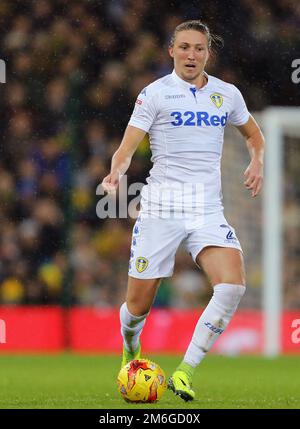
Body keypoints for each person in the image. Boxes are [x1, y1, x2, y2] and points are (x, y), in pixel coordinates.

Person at [101, 20, 264, 402]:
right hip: (161, 208)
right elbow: (126, 147)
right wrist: (116, 171)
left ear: (208, 53)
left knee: (232, 286)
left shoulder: (227, 94)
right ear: (171, 51)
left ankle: (185, 372)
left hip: (207, 209)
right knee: (137, 308)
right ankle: (130, 348)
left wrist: (257, 160)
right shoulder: (155, 94)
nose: (192, 55)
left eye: (199, 48)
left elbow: (254, 135)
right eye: (185, 47)